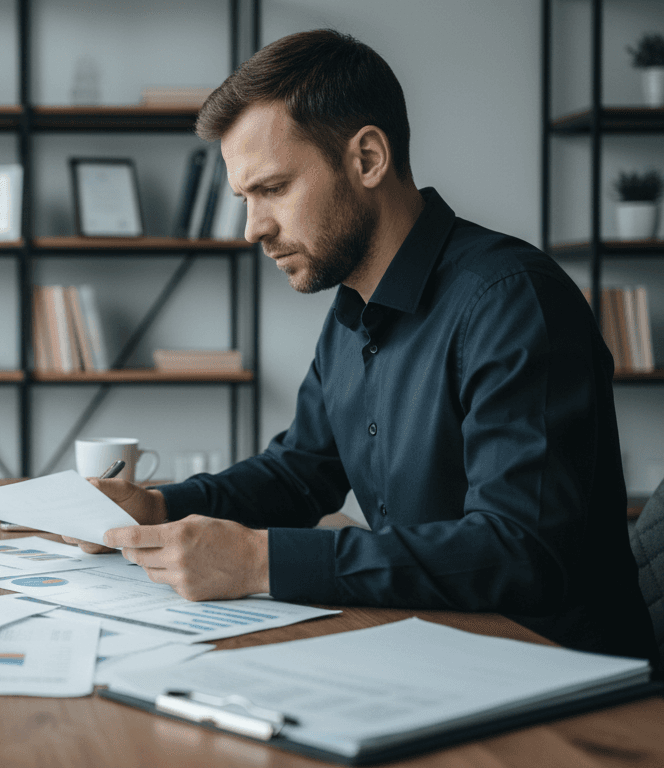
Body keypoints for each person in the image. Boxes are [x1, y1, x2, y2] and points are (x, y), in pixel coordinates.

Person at [65, 29, 657, 662]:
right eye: (244, 199)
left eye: (272, 189)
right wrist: (158, 506)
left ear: (368, 158)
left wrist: (260, 561)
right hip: (431, 648)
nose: (252, 229)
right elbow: (298, 474)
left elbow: (517, 551)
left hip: (562, 685)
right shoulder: (351, 311)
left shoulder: (513, 302)